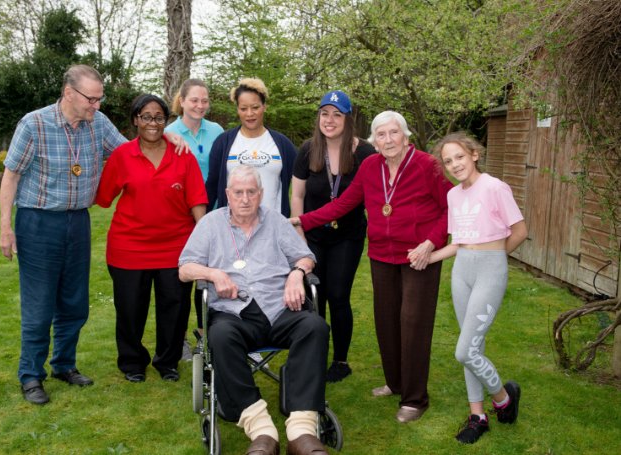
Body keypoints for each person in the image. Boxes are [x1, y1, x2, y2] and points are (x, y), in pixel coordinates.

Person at [290, 110, 453, 423]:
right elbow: (343, 203)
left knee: (413, 324)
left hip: (419, 256)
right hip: (382, 255)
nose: (388, 140)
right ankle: (394, 383)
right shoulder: (370, 166)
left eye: (394, 133)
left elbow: (450, 208)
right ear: (374, 141)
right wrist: (302, 219)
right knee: (386, 321)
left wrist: (431, 243)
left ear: (406, 137)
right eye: (381, 134)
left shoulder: (426, 166)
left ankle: (415, 398)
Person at [179, 165, 330, 455]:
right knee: (220, 336)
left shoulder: (275, 222)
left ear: (261, 194)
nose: (245, 199)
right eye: (238, 192)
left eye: (251, 192)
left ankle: (301, 429)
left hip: (280, 307)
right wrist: (214, 274)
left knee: (315, 327)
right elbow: (185, 268)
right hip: (234, 312)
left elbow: (305, 255)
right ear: (228, 194)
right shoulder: (211, 224)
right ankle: (260, 429)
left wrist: (297, 273)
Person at [0, 65, 127, 405]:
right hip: (38, 223)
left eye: (100, 99)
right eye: (91, 99)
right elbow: (10, 177)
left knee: (74, 303)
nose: (96, 106)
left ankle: (64, 365)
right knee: (39, 305)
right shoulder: (34, 124)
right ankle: (31, 375)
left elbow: (129, 153)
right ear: (69, 93)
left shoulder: (97, 123)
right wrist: (4, 227)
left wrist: (168, 137)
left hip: (78, 222)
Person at [95, 94, 208, 383]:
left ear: (165, 121)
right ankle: (132, 362)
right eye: (146, 116)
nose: (153, 123)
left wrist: (204, 241)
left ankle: (167, 362)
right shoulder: (122, 156)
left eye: (159, 117)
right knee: (131, 310)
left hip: (175, 247)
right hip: (128, 248)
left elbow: (197, 199)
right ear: (135, 120)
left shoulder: (182, 155)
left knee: (175, 308)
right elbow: (104, 198)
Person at [424, 132, 527, 444]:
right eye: (448, 161)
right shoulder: (454, 196)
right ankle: (477, 416)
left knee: (464, 350)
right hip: (462, 271)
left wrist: (494, 258)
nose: (455, 164)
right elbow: (459, 243)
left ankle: (503, 398)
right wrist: (428, 257)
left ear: (473, 154)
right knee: (473, 348)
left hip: (489, 270)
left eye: (459, 157)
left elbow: (521, 231)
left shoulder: (495, 187)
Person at [291, 90, 375, 383]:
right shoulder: (307, 149)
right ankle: (314, 355)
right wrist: (299, 234)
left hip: (347, 236)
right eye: (324, 114)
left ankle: (340, 361)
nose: (329, 120)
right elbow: (298, 194)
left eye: (337, 115)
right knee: (315, 298)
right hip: (312, 236)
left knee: (338, 296)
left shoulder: (364, 152)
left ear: (347, 119)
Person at [165, 78, 224, 358]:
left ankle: (207, 335)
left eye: (204, 100)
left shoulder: (217, 131)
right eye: (194, 100)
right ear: (182, 101)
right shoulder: (168, 132)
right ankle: (177, 339)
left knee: (211, 277)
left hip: (214, 213)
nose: (200, 105)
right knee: (181, 280)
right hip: (180, 217)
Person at [206, 77, 297, 217]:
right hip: (232, 229)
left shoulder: (283, 145)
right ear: (237, 109)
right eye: (243, 108)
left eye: (255, 107)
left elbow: (301, 187)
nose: (249, 114)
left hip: (273, 229)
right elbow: (211, 187)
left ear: (264, 107)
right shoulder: (223, 143)